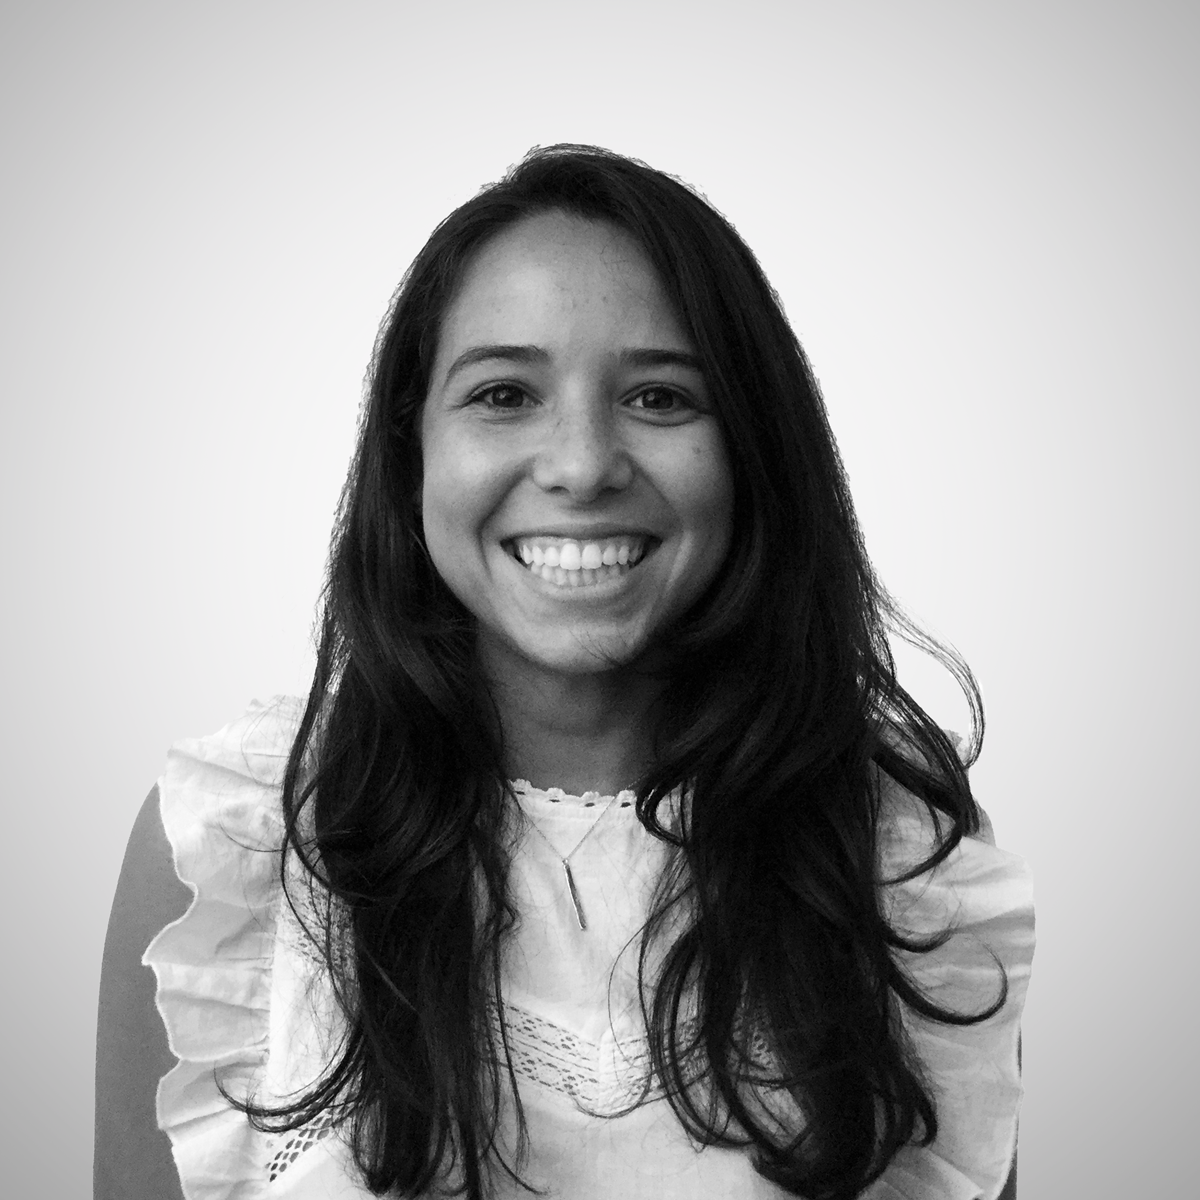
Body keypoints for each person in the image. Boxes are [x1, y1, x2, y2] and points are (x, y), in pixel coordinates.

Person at [95, 144, 1034, 1200]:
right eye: (504, 393)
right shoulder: (237, 845)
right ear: (411, 451)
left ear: (752, 451)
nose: (582, 465)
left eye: (661, 398)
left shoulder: (898, 852)